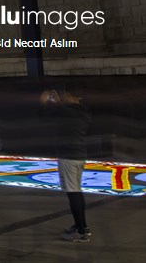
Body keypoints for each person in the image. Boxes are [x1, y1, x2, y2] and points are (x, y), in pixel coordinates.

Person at [41, 85, 92, 242]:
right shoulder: (83, 111)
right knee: (77, 191)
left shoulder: (67, 112)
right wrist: (58, 103)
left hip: (68, 157)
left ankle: (81, 232)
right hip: (79, 155)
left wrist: (45, 102)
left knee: (73, 193)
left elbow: (46, 115)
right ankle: (81, 225)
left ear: (69, 95)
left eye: (64, 94)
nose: (62, 96)